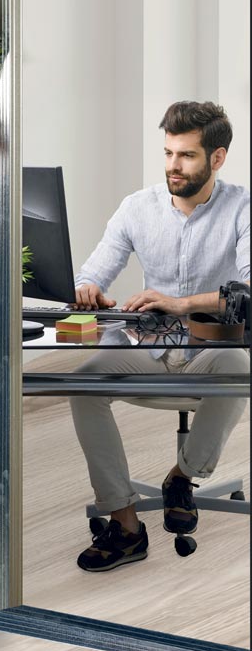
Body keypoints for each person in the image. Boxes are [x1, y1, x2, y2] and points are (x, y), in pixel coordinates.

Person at [70, 101, 250, 572]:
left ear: (217, 158)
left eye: (187, 155)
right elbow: (93, 273)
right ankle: (125, 523)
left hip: (214, 349)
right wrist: (89, 291)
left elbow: (250, 289)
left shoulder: (242, 208)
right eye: (169, 153)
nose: (173, 165)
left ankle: (182, 475)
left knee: (240, 366)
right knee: (82, 384)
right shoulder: (138, 207)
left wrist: (181, 303)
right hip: (149, 349)